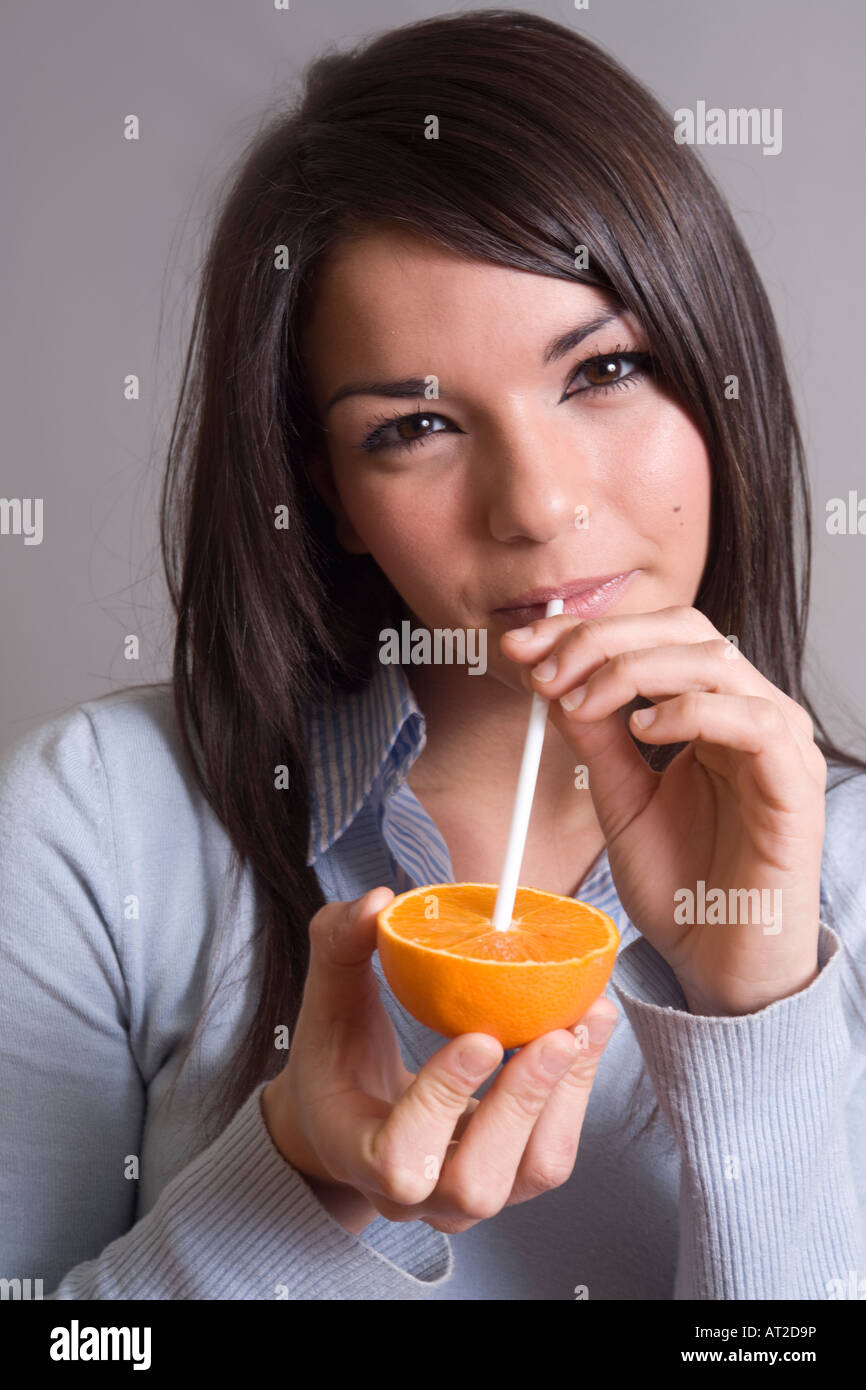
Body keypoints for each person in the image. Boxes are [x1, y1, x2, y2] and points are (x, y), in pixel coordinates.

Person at [2, 9, 864, 1301]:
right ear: (330, 491)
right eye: (413, 424)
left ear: (712, 367)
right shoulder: (108, 824)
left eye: (605, 368)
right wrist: (298, 1185)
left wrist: (752, 1012)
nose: (536, 502)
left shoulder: (844, 872)